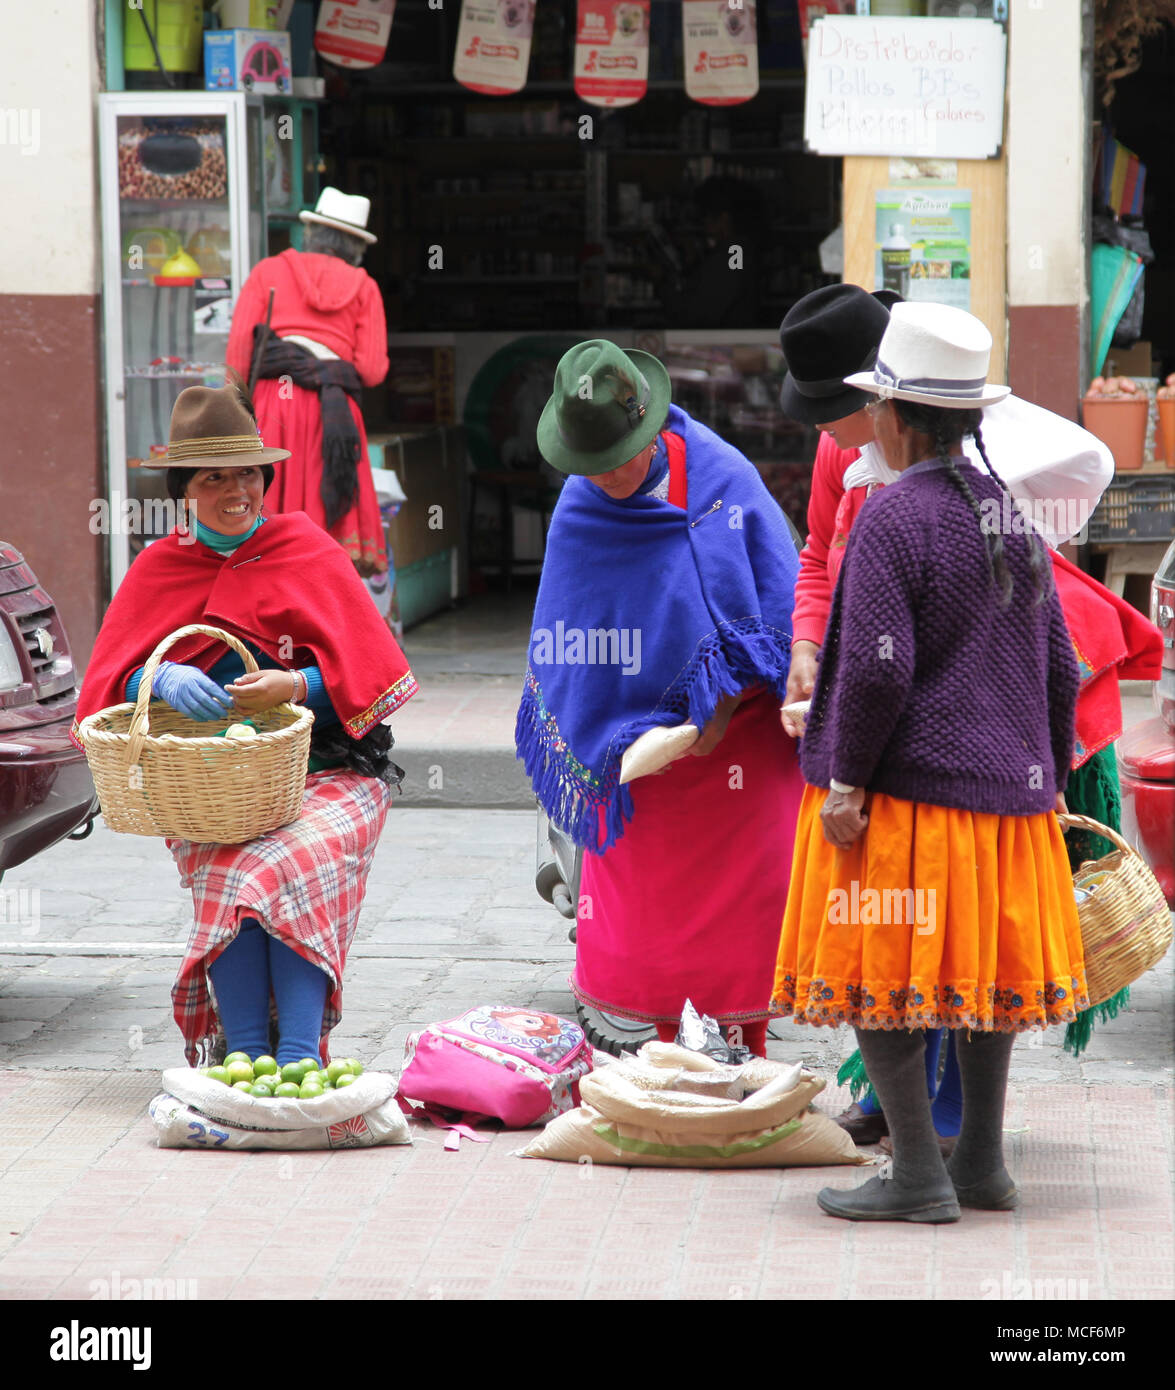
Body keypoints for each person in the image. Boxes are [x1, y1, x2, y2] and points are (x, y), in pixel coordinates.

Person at [776, 284, 1160, 1148]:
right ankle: (981, 1165)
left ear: (892, 415)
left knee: (885, 983)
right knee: (982, 983)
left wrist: (845, 783)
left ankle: (915, 1173)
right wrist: (1041, 772)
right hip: (1007, 807)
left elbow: (878, 676)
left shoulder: (891, 518)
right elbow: (1059, 664)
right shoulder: (1008, 515)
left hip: (914, 807)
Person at [74, 380, 418, 1067]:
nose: (236, 491)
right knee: (239, 874)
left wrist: (299, 684)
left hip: (328, 772)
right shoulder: (158, 567)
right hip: (205, 788)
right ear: (183, 491)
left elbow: (374, 671)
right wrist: (156, 676)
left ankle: (296, 1056)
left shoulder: (305, 548)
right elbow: (109, 687)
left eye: (247, 475)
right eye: (213, 478)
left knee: (281, 865)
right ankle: (245, 1056)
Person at [516, 339, 804, 1056]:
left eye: (618, 457)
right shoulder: (581, 506)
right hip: (640, 756)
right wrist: (627, 729)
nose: (605, 476)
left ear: (648, 428)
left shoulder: (721, 485)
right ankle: (668, 1057)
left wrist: (719, 708)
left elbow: (771, 609)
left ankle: (752, 1051)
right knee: (653, 923)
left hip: (741, 741)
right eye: (589, 464)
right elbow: (569, 629)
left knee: (745, 914)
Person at [225, 187, 389, 577]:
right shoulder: (364, 287)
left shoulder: (268, 272)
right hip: (334, 411)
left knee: (267, 516)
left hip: (273, 403)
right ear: (355, 246)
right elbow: (371, 370)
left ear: (313, 232)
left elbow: (237, 360)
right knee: (325, 536)